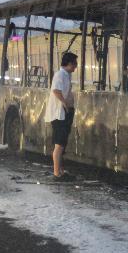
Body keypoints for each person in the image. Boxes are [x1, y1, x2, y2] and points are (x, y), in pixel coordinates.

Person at [44, 52, 78, 180]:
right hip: (59, 114)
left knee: (62, 144)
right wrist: (64, 103)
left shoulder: (66, 75)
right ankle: (57, 173)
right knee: (59, 144)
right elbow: (56, 91)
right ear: (69, 63)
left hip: (64, 113)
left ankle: (60, 171)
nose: (75, 67)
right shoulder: (60, 75)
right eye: (74, 64)